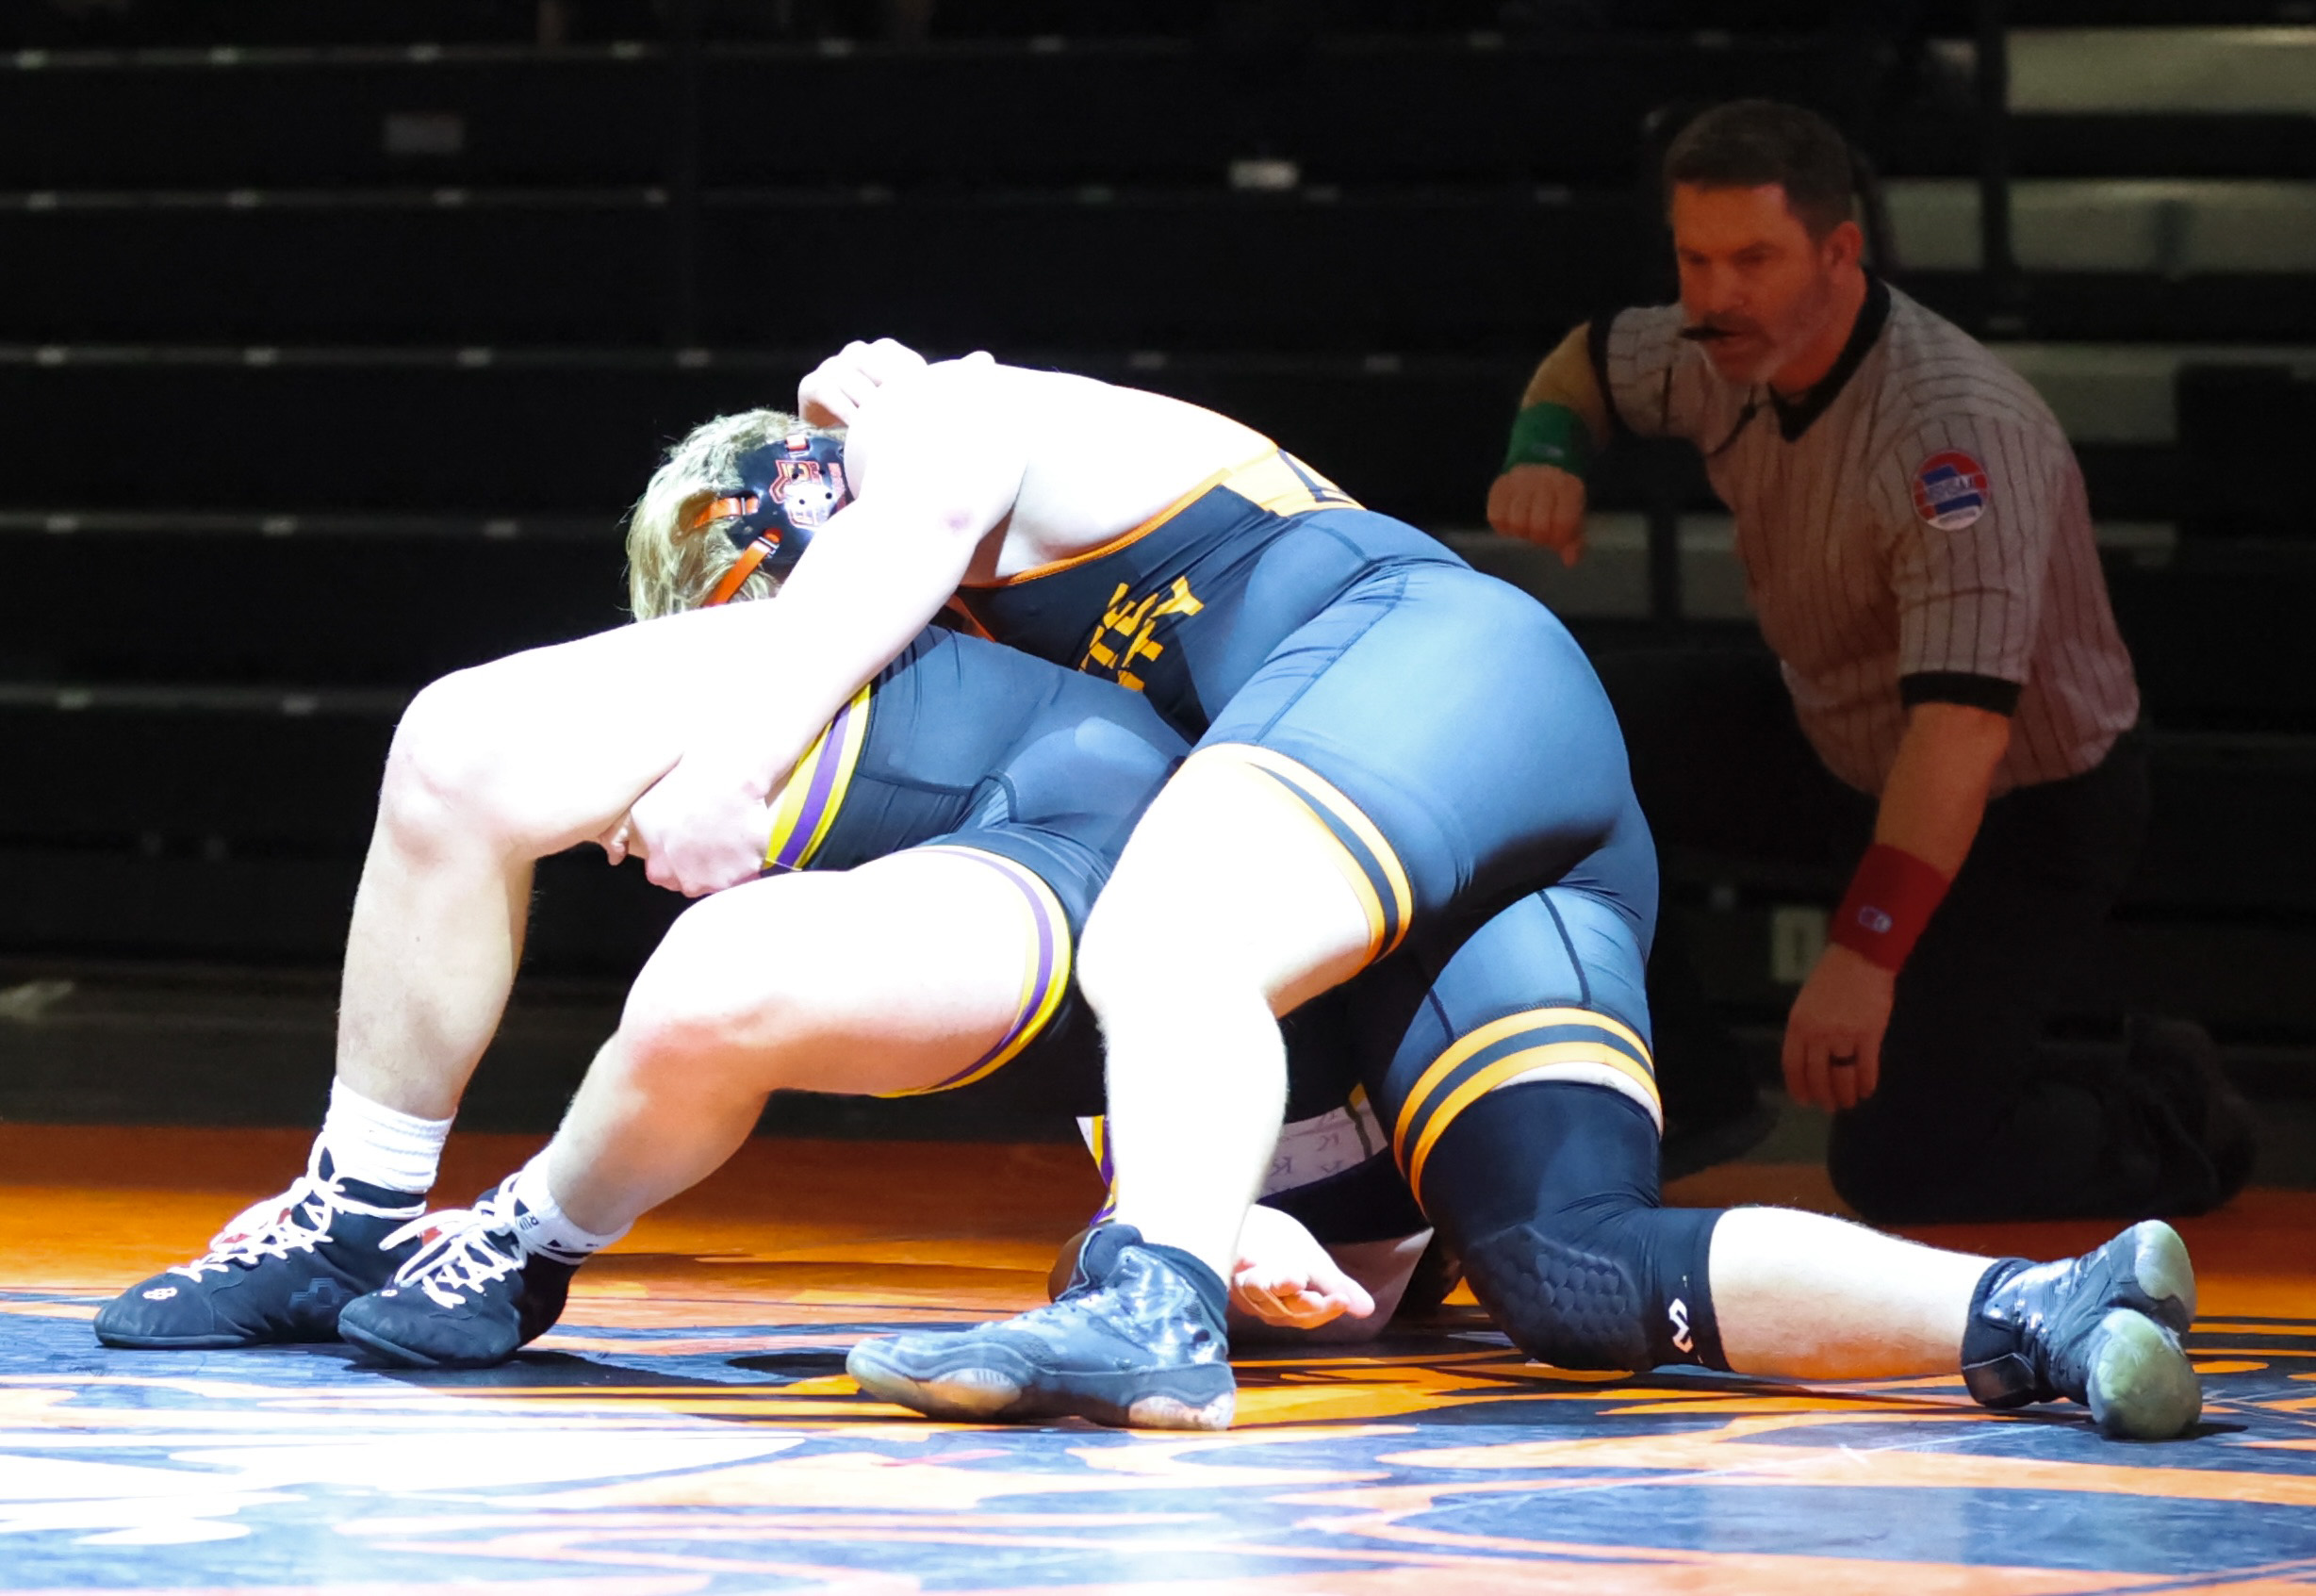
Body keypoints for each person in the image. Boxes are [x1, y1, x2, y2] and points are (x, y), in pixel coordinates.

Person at [616, 341, 1648, 1429]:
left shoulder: (946, 458)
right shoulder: (1031, 733)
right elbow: (1163, 1083)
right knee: (1579, 1279)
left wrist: (735, 765)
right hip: (1402, 893)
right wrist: (1210, 1225)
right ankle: (1184, 1267)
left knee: (1157, 948)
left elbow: (917, 500)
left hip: (1453, 728)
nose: (864, 717)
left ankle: (1177, 1275)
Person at [91, 411, 1189, 1361]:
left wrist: (1192, 1223)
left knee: (501, 783)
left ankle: (464, 1225)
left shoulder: (936, 582)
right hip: (1070, 880)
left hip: (1113, 827)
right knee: (682, 956)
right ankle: (410, 1219)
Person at [1486, 99, 2250, 1226]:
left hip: (2020, 806)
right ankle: (1681, 1088)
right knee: (1542, 740)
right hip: (1834, 735)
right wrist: (1544, 453)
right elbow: (1587, 362)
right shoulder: (1718, 348)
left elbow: (1962, 730)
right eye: (1696, 259)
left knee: (1902, 1166)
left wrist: (1864, 951)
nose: (1716, 293)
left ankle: (2169, 1104)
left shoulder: (1951, 437)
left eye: (1754, 260)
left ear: (1840, 253)